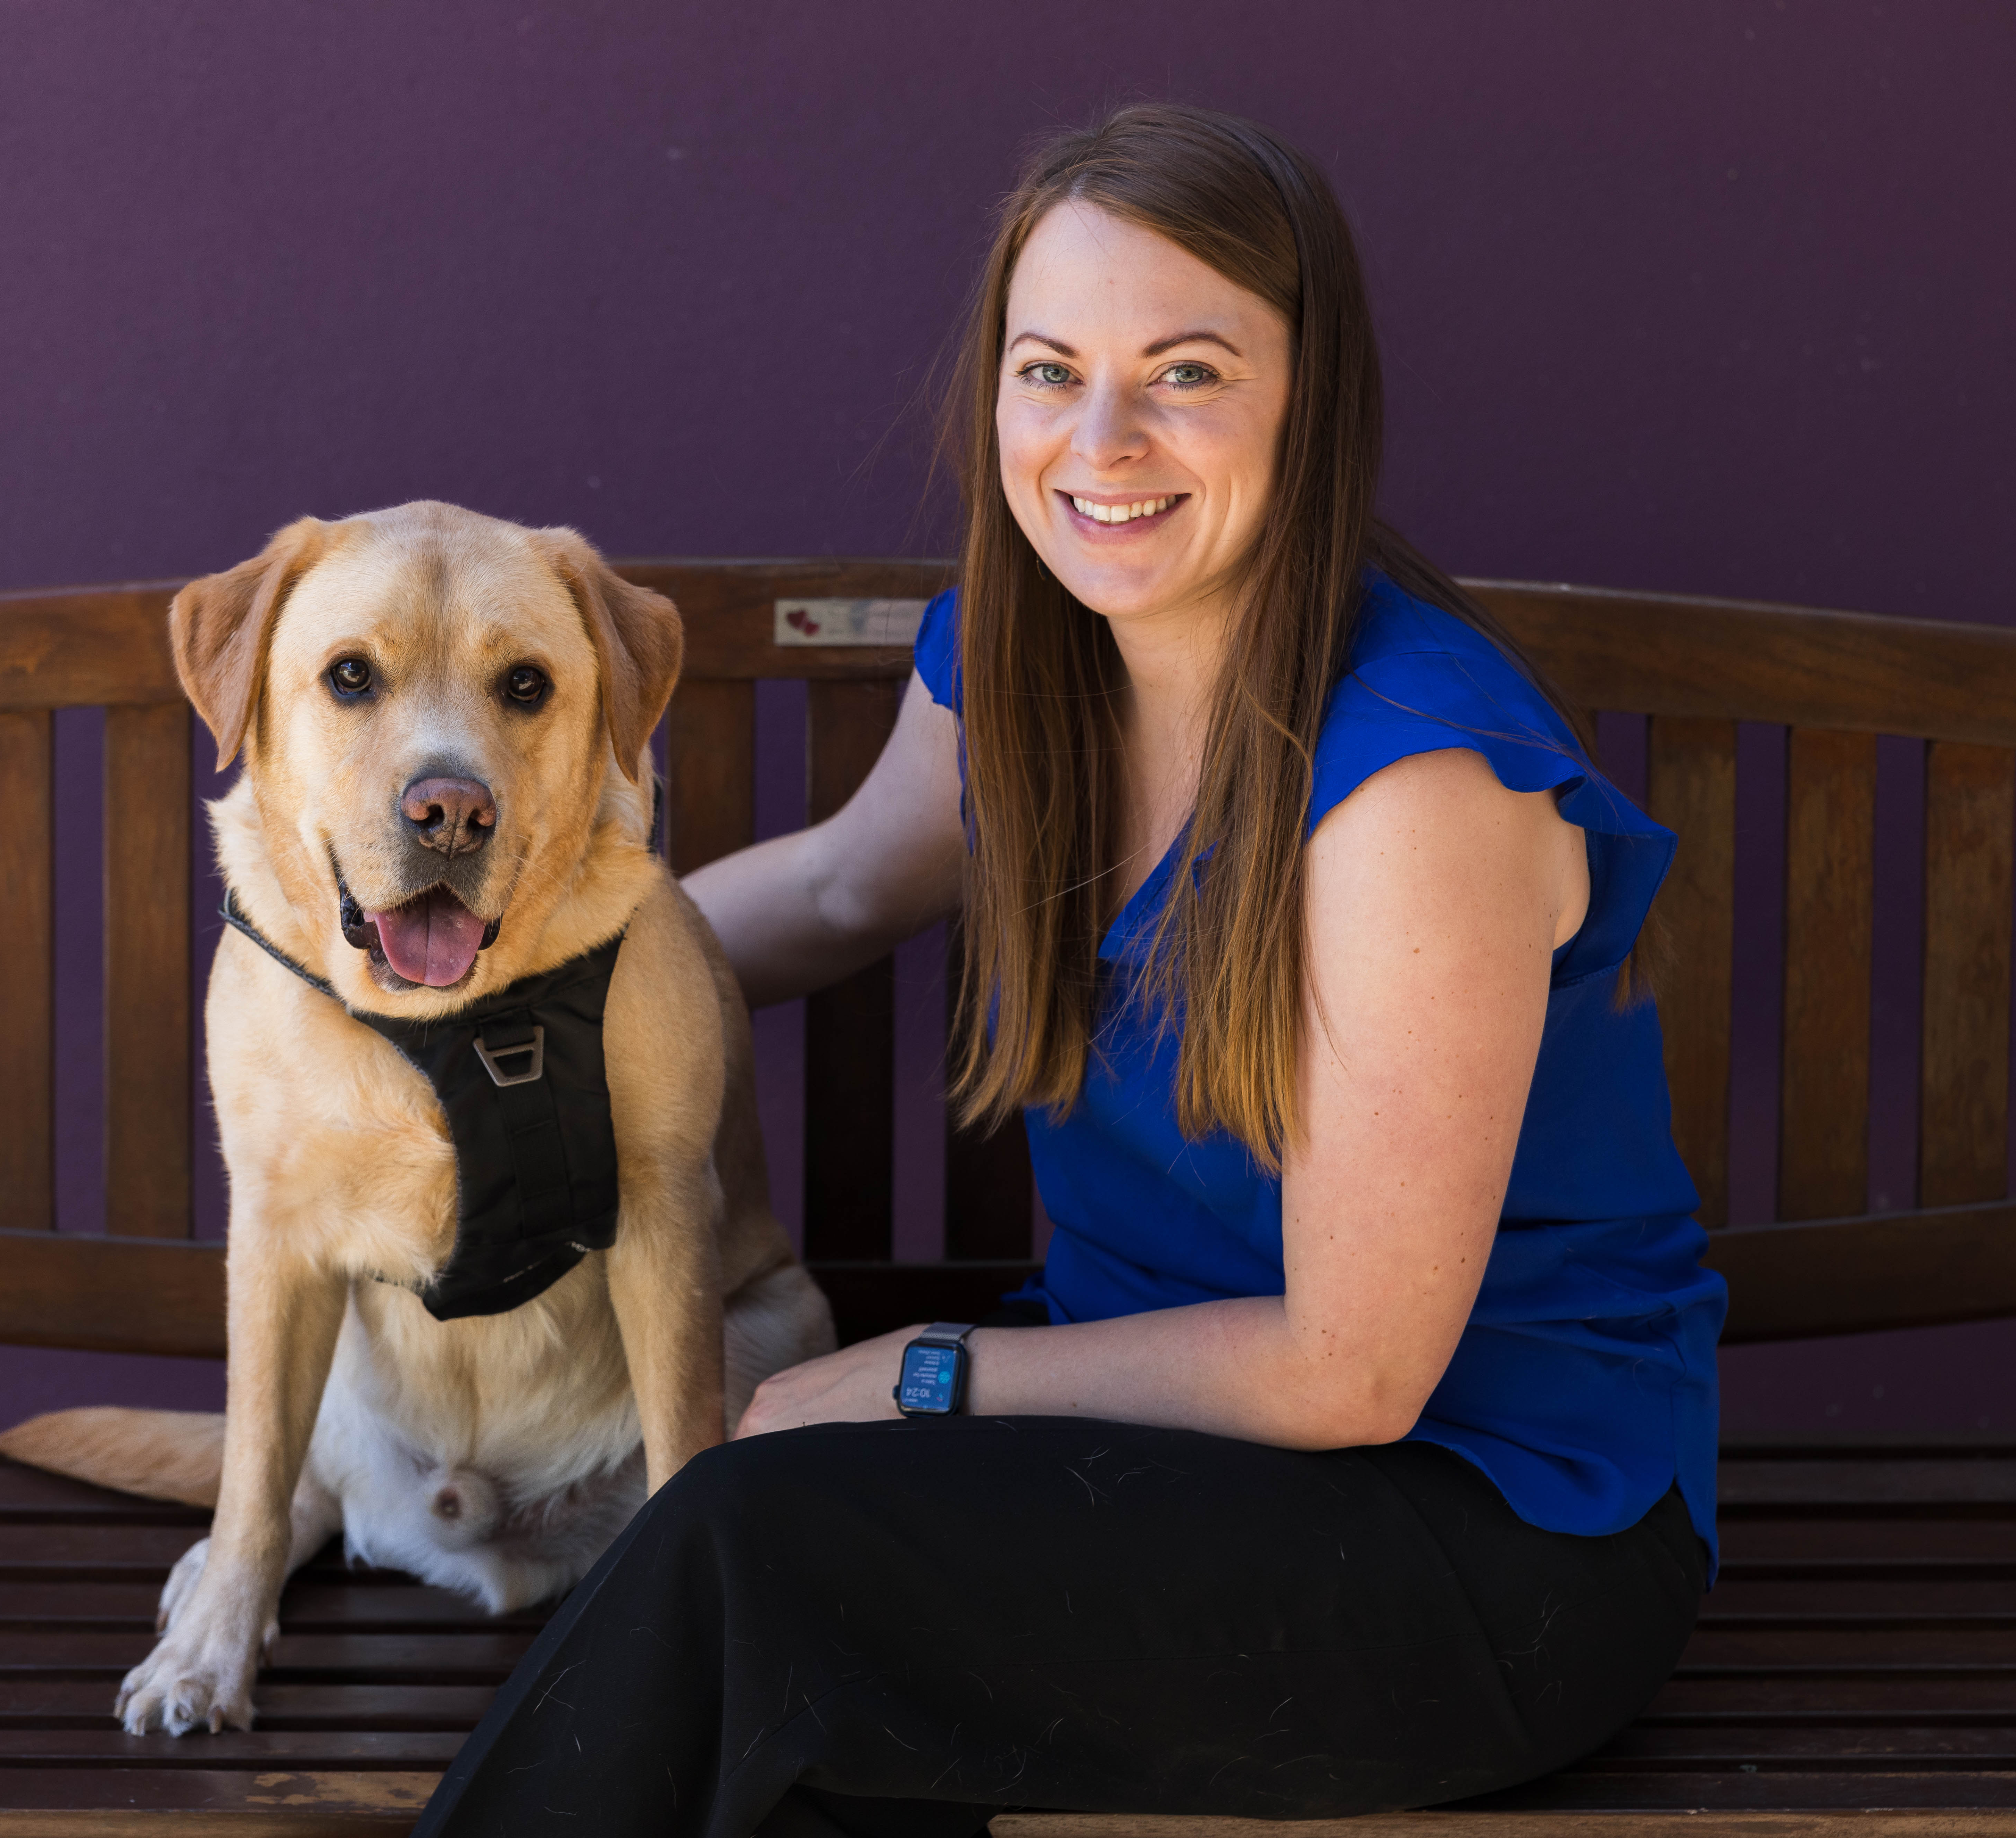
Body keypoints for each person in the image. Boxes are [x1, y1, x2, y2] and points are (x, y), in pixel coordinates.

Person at [414, 103, 1723, 1838]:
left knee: (756, 1536)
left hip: (1481, 1533)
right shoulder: (1028, 665)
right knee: (793, 1720)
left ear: (1307, 399)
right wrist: (476, 1012)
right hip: (1157, 1450)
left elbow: (1356, 1372)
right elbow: (830, 886)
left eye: (1187, 370)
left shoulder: (1416, 781)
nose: (1102, 436)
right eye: (1052, 369)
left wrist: (917, 1368)